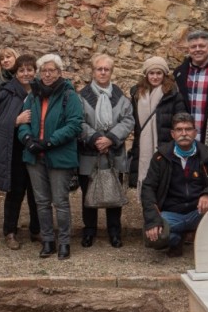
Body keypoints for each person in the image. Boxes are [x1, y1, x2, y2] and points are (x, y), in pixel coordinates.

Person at [17, 54, 83, 260]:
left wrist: (49, 141)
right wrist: (27, 138)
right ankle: (47, 241)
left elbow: (74, 124)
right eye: (44, 70)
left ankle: (64, 242)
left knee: (60, 202)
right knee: (42, 201)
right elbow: (23, 120)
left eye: (51, 70)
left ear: (59, 72)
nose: (47, 74)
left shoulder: (69, 95)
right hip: (35, 156)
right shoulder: (33, 95)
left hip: (59, 155)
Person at [141, 113, 208, 258]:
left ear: (195, 132)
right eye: (179, 130)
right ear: (173, 134)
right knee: (153, 236)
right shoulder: (160, 157)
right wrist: (153, 220)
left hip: (198, 212)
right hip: (172, 213)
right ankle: (176, 240)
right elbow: (148, 188)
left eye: (188, 129)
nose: (184, 133)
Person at [0, 54, 40, 249]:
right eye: (22, 70)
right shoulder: (7, 93)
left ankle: (36, 229)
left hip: (37, 151)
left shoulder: (41, 92)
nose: (26, 73)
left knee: (37, 193)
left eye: (30, 69)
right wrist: (15, 121)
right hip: (13, 151)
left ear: (35, 71)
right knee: (15, 193)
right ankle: (10, 231)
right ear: (16, 73)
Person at [78, 54, 134, 249]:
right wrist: (94, 138)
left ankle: (114, 231)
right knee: (88, 194)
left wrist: (110, 138)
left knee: (113, 194)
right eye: (99, 69)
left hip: (113, 154)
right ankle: (89, 230)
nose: (102, 72)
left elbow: (128, 120)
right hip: (89, 154)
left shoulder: (121, 98)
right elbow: (78, 121)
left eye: (106, 69)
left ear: (111, 71)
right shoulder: (82, 96)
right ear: (92, 71)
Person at [130, 56, 187, 190]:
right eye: (152, 73)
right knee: (147, 186)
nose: (155, 77)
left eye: (159, 73)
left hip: (166, 147)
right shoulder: (137, 95)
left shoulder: (173, 95)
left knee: (165, 185)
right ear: (146, 75)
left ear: (164, 75)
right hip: (142, 147)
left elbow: (181, 121)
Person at [172, 30, 208, 150]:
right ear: (188, 50)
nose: (197, 49)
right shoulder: (179, 74)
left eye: (202, 46)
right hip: (185, 140)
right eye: (193, 47)